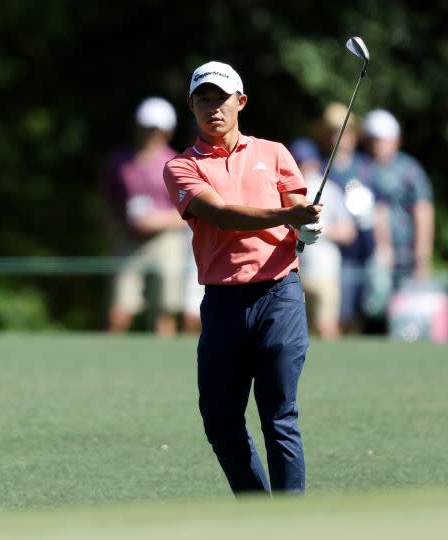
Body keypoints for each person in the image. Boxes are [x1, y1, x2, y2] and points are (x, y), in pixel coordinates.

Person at [162, 61, 322, 495]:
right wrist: (289, 215)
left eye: (221, 98)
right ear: (192, 106)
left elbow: (298, 212)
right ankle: (258, 510)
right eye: (203, 99)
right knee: (219, 418)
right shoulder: (181, 166)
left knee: (278, 415)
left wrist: (305, 225)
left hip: (279, 294)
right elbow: (220, 214)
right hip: (224, 302)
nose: (213, 108)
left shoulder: (274, 153)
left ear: (241, 102)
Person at [102, 97, 187, 336]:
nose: (151, 134)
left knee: (165, 311)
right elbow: (108, 203)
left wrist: (157, 221)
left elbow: (189, 212)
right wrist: (110, 233)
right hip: (129, 240)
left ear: (167, 131)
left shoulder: (177, 163)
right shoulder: (118, 161)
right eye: (147, 127)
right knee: (119, 310)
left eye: (157, 129)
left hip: (167, 241)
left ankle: (162, 366)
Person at [315, 103, 379, 333]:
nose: (338, 137)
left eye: (344, 131)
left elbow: (380, 210)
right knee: (339, 316)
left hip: (367, 252)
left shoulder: (366, 168)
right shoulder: (320, 170)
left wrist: (383, 248)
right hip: (335, 257)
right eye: (332, 131)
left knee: (366, 313)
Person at [289, 138, 356, 340]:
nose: (303, 167)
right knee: (298, 332)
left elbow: (348, 231)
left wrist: (319, 230)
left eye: (306, 161)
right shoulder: (287, 190)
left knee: (325, 326)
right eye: (298, 161)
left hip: (324, 271)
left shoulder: (331, 190)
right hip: (295, 271)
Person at [363, 109, 434, 286]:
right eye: (372, 140)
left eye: (380, 140)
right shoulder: (362, 167)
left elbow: (423, 211)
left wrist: (422, 258)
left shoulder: (410, 170)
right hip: (369, 256)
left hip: (405, 256)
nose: (376, 145)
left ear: (395, 140)